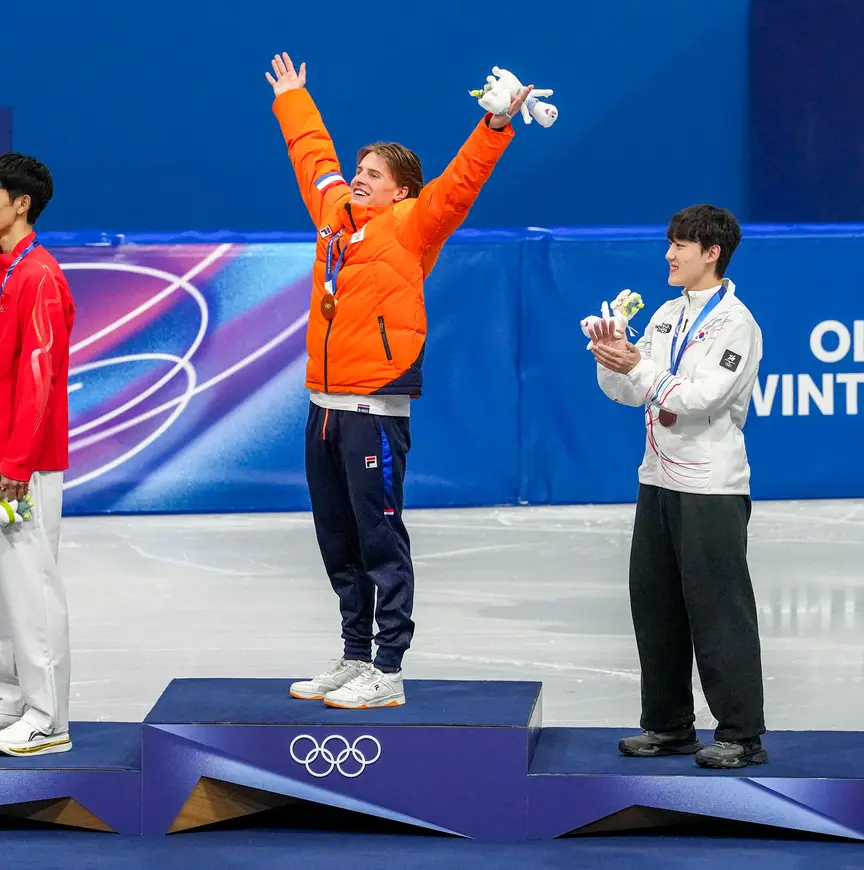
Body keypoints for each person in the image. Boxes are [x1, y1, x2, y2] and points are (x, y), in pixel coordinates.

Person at [265, 53, 530, 709]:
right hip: (322, 406)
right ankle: (354, 657)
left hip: (374, 409)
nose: (357, 179)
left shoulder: (414, 226)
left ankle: (388, 669)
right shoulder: (333, 216)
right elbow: (314, 160)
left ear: (401, 192)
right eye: (359, 171)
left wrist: (494, 123)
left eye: (373, 175)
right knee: (339, 541)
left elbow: (461, 183)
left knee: (381, 539)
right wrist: (294, 99)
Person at [588, 204, 767, 769]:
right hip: (656, 479)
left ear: (711, 253)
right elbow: (630, 392)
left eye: (681, 245)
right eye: (669, 242)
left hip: (711, 486)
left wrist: (639, 367)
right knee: (656, 606)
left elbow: (696, 399)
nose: (669, 253)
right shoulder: (666, 313)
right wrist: (611, 357)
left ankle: (741, 734)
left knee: (718, 610)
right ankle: (668, 726)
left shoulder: (736, 322)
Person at [0, 153, 75, 756]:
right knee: (4, 591)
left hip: (22, 468)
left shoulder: (40, 276)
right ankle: (10, 700)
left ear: (20, 203)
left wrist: (15, 466)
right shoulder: (5, 271)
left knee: (32, 589)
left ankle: (48, 718)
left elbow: (38, 376)